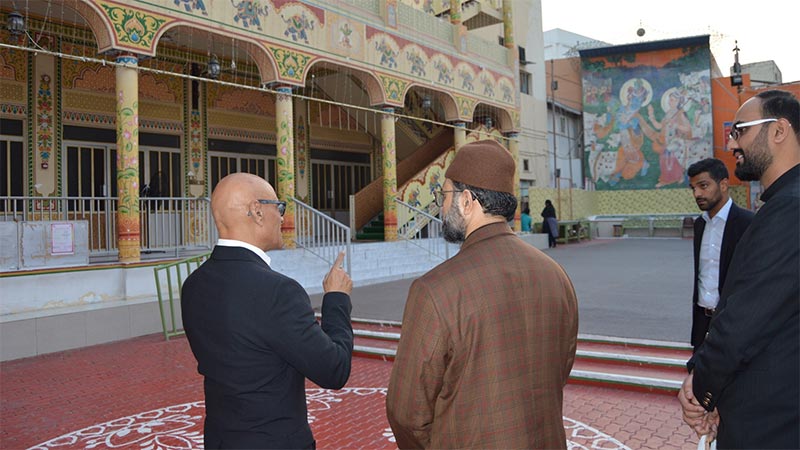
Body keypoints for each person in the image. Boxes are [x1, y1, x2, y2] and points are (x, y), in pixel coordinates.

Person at [386, 140, 579, 449]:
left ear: (466, 201)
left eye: (444, 195)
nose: (441, 206)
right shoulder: (555, 274)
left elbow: (407, 413)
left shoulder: (436, 290)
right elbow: (560, 370)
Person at [181, 172, 354, 449]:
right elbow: (334, 370)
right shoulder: (278, 292)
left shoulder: (193, 285)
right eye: (279, 207)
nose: (283, 218)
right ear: (257, 212)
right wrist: (336, 298)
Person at [679, 90, 799, 449]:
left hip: (771, 419)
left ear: (779, 131)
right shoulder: (783, 204)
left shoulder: (789, 210)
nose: (731, 142)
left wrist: (700, 387)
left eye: (740, 130)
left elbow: (746, 320)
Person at [686, 158, 753, 353]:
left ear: (723, 184)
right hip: (702, 322)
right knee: (697, 379)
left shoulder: (748, 224)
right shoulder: (700, 225)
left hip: (733, 323)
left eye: (703, 186)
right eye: (693, 188)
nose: (697, 193)